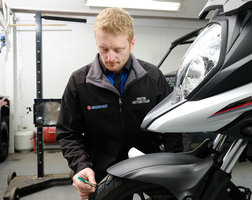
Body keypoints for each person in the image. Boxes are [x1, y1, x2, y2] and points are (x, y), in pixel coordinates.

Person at [56, 7, 183, 199]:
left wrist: (175, 170)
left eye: (118, 49)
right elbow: (68, 133)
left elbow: (171, 127)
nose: (110, 58)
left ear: (131, 43)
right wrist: (81, 166)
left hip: (148, 167)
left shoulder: (153, 78)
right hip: (101, 173)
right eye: (103, 49)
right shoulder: (79, 82)